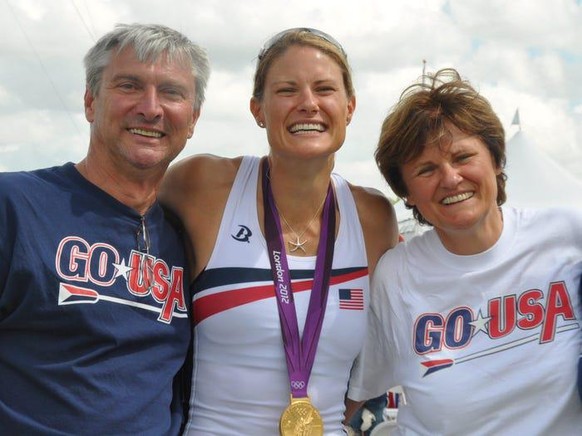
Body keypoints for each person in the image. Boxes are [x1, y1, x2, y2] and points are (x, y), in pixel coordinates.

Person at [159, 28, 399, 435]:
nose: (308, 104)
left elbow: (381, 354)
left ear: (349, 107)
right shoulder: (202, 185)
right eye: (288, 90)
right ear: (258, 110)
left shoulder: (373, 217)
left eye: (324, 89)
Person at [346, 68, 582, 434]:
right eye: (426, 169)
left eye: (462, 157)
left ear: (496, 159)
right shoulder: (396, 275)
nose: (450, 178)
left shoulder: (568, 236)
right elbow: (354, 393)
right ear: (407, 193)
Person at [0, 23, 210, 434]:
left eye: (171, 92)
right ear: (91, 102)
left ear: (193, 119)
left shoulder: (188, 238)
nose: (151, 108)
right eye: (129, 86)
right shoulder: (15, 206)